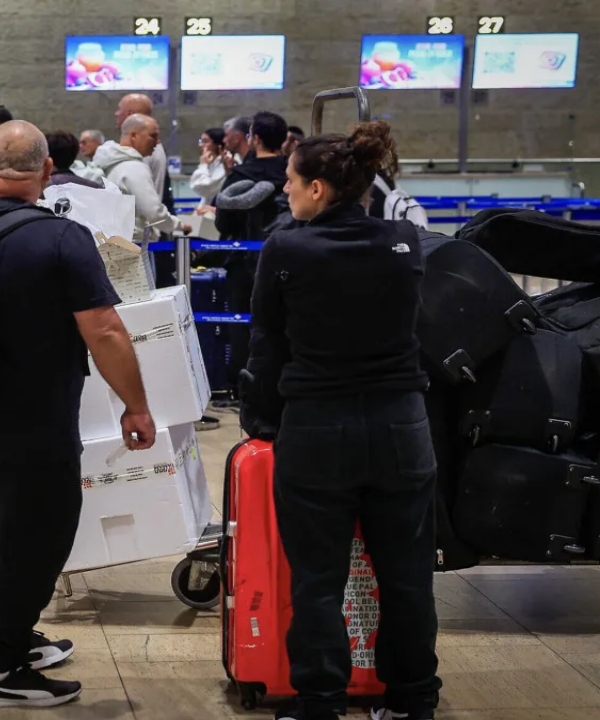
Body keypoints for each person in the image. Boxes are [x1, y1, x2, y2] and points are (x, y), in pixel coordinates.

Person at [0, 120, 154, 709]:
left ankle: (12, 637)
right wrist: (136, 404)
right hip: (32, 422)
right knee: (37, 539)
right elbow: (103, 330)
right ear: (48, 172)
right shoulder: (61, 239)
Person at [246, 120, 440, 720]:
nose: (286, 191)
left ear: (320, 190)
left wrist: (263, 424)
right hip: (401, 429)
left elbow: (267, 346)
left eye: (291, 181)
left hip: (317, 431)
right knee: (407, 578)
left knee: (319, 580)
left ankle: (320, 701)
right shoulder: (405, 241)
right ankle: (412, 700)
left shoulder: (286, 248)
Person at [211, 111, 290, 395]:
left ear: (254, 138)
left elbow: (223, 221)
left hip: (246, 260)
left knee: (242, 324)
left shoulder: (242, 175)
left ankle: (242, 385)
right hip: (292, 259)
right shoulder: (294, 172)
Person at [92, 115, 189, 239]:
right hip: (132, 245)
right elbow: (154, 213)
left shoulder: (108, 162)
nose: (157, 141)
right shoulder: (134, 168)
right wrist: (179, 225)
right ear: (134, 136)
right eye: (152, 136)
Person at [115, 95, 168, 200]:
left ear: (129, 114)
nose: (116, 113)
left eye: (119, 109)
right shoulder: (145, 149)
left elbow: (144, 200)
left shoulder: (145, 149)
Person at [190, 128, 228, 212]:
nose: (201, 145)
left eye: (205, 141)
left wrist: (203, 165)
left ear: (218, 144)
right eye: (201, 141)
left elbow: (204, 187)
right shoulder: (213, 162)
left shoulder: (225, 163)